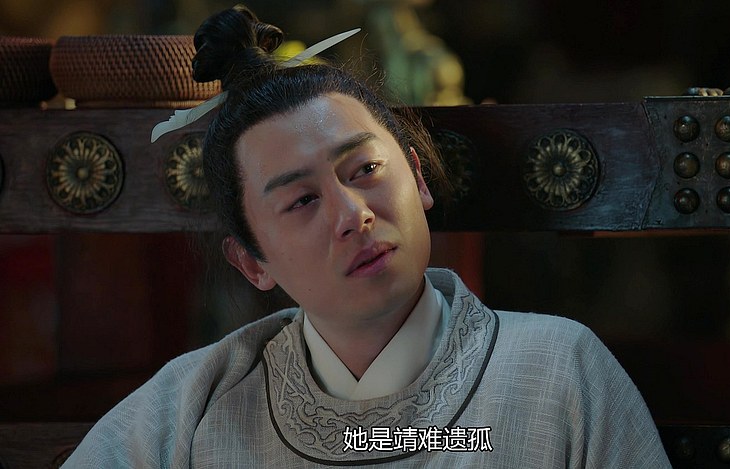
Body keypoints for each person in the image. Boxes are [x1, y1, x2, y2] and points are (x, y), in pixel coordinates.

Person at [64, 5, 671, 468]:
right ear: (252, 262)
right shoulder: (193, 408)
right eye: (302, 201)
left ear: (419, 179)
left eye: (365, 170)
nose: (352, 214)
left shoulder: (558, 372)